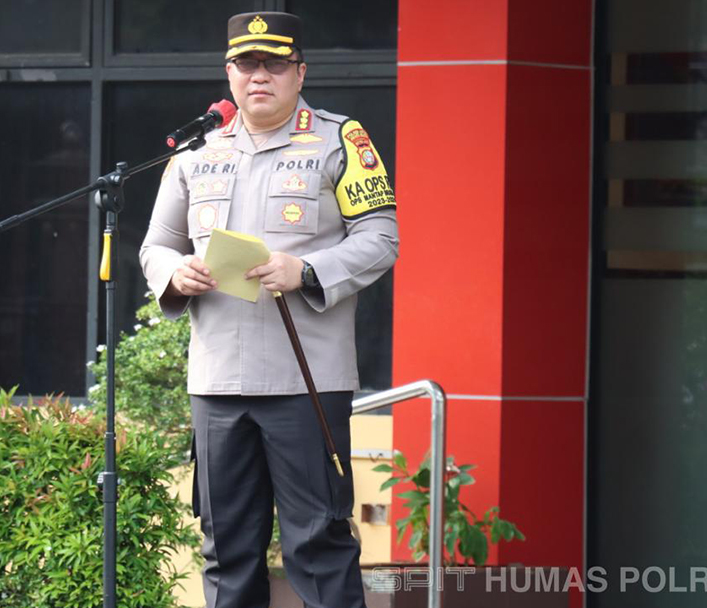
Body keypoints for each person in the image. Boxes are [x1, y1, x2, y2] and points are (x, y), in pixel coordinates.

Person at [140, 11, 398, 608]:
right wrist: (175, 272)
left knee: (319, 545)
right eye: (246, 63)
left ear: (299, 72)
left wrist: (305, 270)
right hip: (217, 381)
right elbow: (156, 245)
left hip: (305, 381)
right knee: (226, 551)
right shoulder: (196, 150)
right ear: (228, 73)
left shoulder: (340, 140)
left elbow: (382, 236)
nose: (260, 75)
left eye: (274, 63)